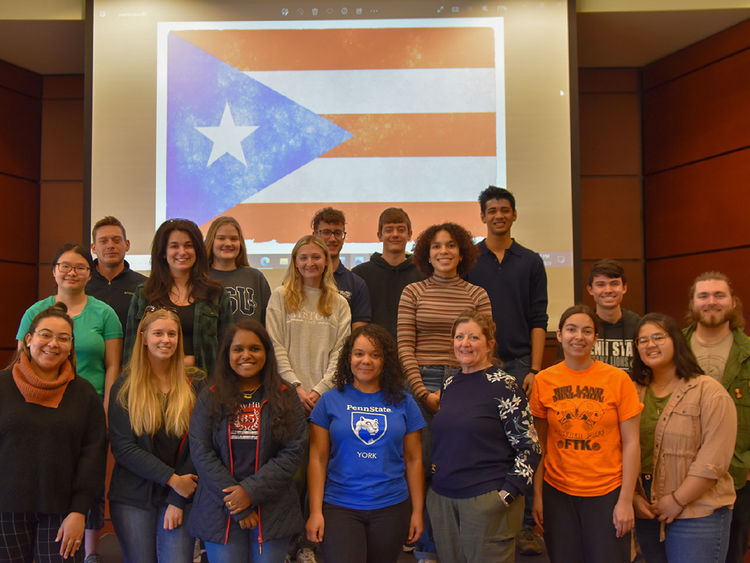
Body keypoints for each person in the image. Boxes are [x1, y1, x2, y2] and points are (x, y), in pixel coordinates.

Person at [16, 243, 121, 563]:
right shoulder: (35, 311)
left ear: (90, 274)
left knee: (85, 476)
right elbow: (20, 359)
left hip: (87, 408)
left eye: (79, 267)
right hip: (38, 407)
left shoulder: (104, 312)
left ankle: (90, 552)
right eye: (65, 266)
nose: (72, 272)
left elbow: (114, 365)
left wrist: (106, 408)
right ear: (54, 271)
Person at [397, 221, 491, 562]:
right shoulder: (413, 292)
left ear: (462, 251)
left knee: (457, 466)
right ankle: (426, 548)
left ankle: (458, 544)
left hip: (465, 383)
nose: (444, 252)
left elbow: (484, 345)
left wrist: (460, 392)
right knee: (421, 465)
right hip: (420, 383)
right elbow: (405, 347)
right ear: (426, 253)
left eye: (450, 245)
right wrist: (423, 393)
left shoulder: (477, 294)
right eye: (436, 246)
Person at [465, 185, 549, 554]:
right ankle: (481, 518)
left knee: (524, 447)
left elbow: (539, 317)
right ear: (482, 216)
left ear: (514, 214)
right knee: (482, 443)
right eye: (492, 210)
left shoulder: (530, 261)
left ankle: (527, 526)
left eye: (505, 209)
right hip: (478, 364)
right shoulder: (469, 259)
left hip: (518, 364)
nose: (498, 215)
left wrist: (535, 367)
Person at [530, 304, 641, 563]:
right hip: (558, 494)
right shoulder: (544, 381)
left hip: (607, 493)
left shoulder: (618, 380)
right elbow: (540, 445)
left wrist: (626, 500)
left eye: (587, 331)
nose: (578, 337)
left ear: (595, 339)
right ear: (558, 335)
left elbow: (632, 443)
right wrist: (537, 496)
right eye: (571, 329)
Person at [427, 310, 541, 562]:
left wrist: (507, 494)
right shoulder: (450, 384)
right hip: (444, 500)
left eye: (473, 338)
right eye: (459, 337)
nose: (464, 344)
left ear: (490, 344)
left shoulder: (505, 385)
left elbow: (530, 447)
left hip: (486, 502)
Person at [188, 319, 306, 562]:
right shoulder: (209, 395)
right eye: (238, 349)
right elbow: (201, 452)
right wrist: (237, 503)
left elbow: (293, 451)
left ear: (267, 353)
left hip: (273, 511)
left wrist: (249, 492)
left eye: (255, 348)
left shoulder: (286, 394)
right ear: (226, 354)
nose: (246, 355)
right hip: (220, 510)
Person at [306, 324, 425, 563]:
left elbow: (414, 460)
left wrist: (418, 512)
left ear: (385, 360)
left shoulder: (405, 403)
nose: (366, 360)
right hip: (340, 506)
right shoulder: (329, 401)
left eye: (375, 354)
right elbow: (317, 459)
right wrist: (315, 511)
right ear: (348, 357)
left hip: (391, 506)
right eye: (359, 353)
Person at [1, 304, 106, 562]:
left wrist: (79, 512)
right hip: (5, 510)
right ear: (29, 339)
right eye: (45, 335)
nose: (53, 344)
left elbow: (92, 458)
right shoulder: (2, 385)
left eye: (63, 338)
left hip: (63, 511)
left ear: (71, 346)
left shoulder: (84, 394)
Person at [632, 312, 736, 563]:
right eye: (642, 340)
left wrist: (677, 500)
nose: (650, 344)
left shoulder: (709, 391)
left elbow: (715, 457)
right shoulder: (631, 389)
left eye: (658, 337)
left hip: (698, 511)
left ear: (677, 341)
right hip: (646, 510)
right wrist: (633, 498)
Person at [108, 307, 204, 563]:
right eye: (158, 333)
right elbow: (123, 447)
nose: (165, 340)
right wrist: (172, 479)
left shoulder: (195, 386)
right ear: (144, 338)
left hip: (181, 498)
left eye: (172, 334)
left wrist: (177, 496)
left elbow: (200, 444)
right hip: (133, 498)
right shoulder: (124, 386)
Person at [683, 272, 750, 563]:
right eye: (704, 296)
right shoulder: (674, 350)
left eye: (719, 295)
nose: (712, 302)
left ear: (733, 302)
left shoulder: (747, 353)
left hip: (738, 477)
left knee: (732, 554)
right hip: (681, 475)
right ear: (693, 303)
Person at [124, 218, 233, 376]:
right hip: (153, 386)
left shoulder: (216, 294)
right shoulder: (145, 294)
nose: (182, 252)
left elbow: (227, 347)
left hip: (205, 387)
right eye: (174, 246)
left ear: (197, 250)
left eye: (188, 246)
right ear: (163, 252)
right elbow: (131, 351)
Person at [266, 235, 351, 415]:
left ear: (326, 261)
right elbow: (275, 345)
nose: (309, 263)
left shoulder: (340, 303)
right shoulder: (280, 297)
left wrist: (320, 390)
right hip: (286, 394)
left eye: (316, 257)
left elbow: (341, 351)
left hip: (326, 396)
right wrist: (294, 387)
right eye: (303, 257)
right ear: (295, 262)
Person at [352, 207, 424, 340]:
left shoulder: (423, 275)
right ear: (380, 235)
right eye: (389, 230)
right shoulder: (359, 275)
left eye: (401, 229)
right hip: (373, 353)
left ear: (410, 235)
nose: (395, 234)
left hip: (412, 354)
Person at [311, 207, 371, 329]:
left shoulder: (356, 284)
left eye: (338, 233)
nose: (332, 239)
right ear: (315, 235)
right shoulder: (299, 280)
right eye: (326, 232)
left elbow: (358, 334)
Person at [205, 216, 272, 324]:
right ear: (211, 241)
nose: (228, 244)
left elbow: (268, 321)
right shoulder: (201, 277)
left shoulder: (255, 277)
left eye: (234, 239)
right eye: (221, 238)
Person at [86, 215, 147, 332]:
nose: (110, 246)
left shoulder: (144, 285)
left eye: (116, 240)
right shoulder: (81, 284)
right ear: (93, 248)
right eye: (103, 241)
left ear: (127, 245)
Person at [587, 259, 640, 374]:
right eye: (601, 284)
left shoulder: (639, 326)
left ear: (624, 288)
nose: (608, 290)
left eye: (614, 283)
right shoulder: (582, 327)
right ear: (590, 290)